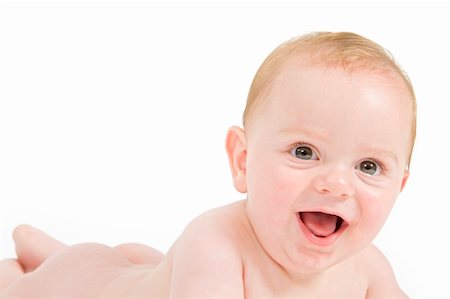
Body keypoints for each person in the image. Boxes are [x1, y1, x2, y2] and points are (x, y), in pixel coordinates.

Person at [0, 31, 415, 298]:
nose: (337, 184)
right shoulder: (215, 246)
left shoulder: (368, 269)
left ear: (399, 187)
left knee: (142, 263)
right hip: (85, 288)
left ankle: (47, 248)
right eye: (304, 152)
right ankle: (23, 265)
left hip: (153, 274)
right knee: (44, 281)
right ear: (243, 160)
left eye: (369, 166)